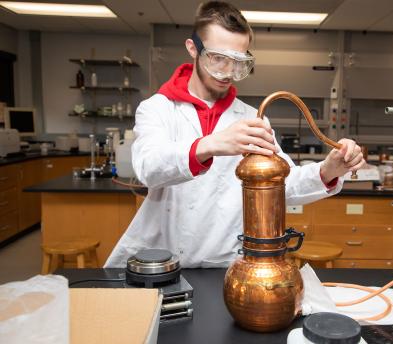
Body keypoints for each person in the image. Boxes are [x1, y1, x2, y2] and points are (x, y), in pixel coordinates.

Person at [105, 1, 365, 268]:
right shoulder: (158, 108)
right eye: (218, 58)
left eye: (238, 62)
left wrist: (329, 170)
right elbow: (148, 168)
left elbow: (281, 185)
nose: (228, 72)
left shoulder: (252, 118)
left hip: (224, 265)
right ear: (192, 48)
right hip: (161, 261)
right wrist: (210, 144)